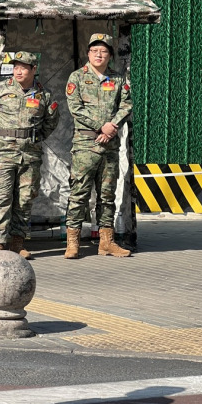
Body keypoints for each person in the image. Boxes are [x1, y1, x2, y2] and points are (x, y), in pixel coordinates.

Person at [0, 51, 59, 258]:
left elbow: (51, 122)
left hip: (30, 155)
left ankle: (17, 243)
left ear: (34, 70)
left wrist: (33, 137)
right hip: (3, 153)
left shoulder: (44, 95)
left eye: (23, 67)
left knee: (24, 200)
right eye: (16, 67)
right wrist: (4, 135)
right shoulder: (0, 90)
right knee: (1, 197)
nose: (18, 71)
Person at [64, 33, 132, 259]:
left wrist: (111, 126)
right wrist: (100, 127)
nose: (99, 54)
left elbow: (126, 105)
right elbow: (76, 109)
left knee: (107, 195)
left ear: (110, 55)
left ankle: (106, 241)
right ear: (88, 53)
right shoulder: (77, 77)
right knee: (79, 193)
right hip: (86, 144)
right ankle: (72, 243)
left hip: (109, 144)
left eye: (103, 51)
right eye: (94, 51)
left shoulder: (118, 79)